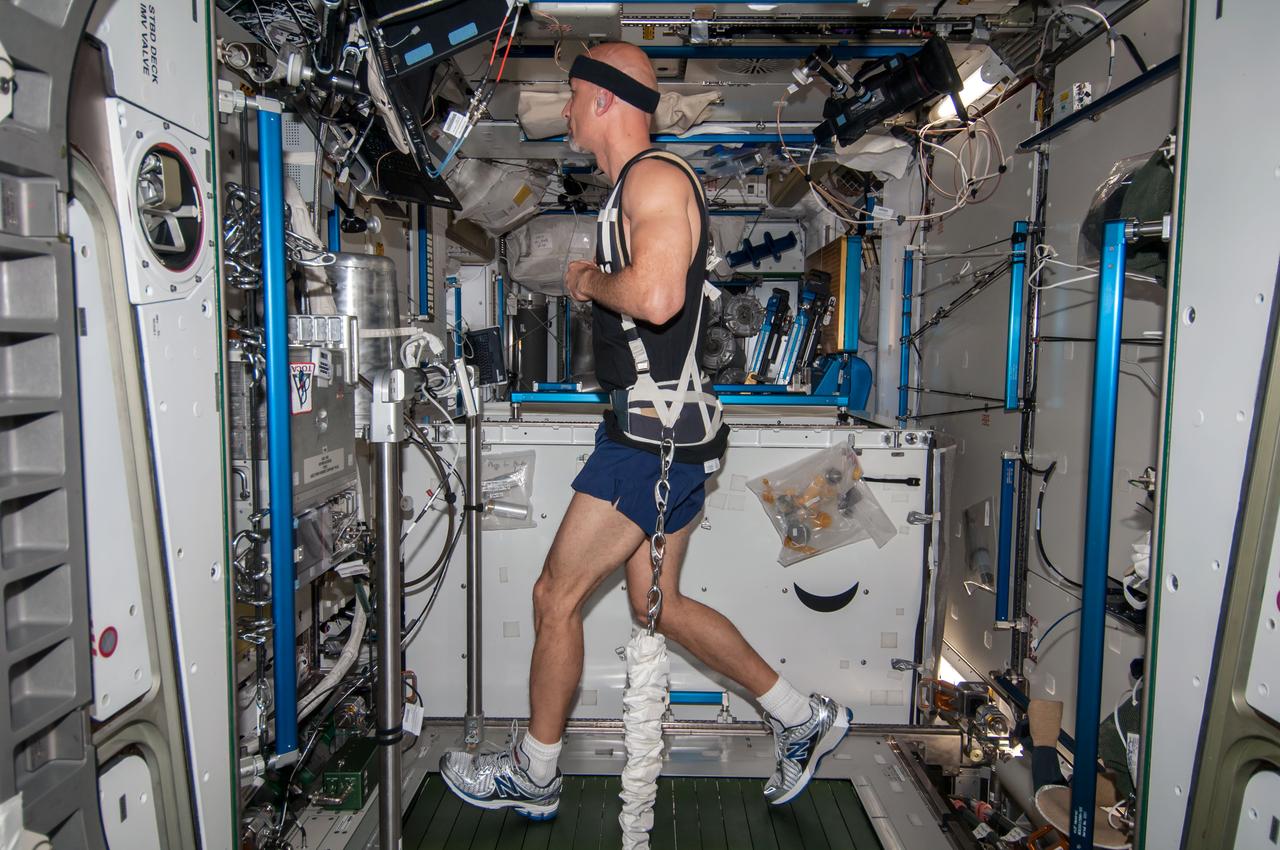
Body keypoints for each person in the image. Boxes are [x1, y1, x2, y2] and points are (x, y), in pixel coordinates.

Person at [439, 42, 850, 820]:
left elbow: (658, 297)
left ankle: (535, 770)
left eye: (570, 96)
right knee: (657, 605)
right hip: (669, 434)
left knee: (554, 595)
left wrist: (587, 279)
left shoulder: (652, 178)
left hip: (648, 442)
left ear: (603, 101)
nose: (562, 109)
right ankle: (804, 717)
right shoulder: (634, 187)